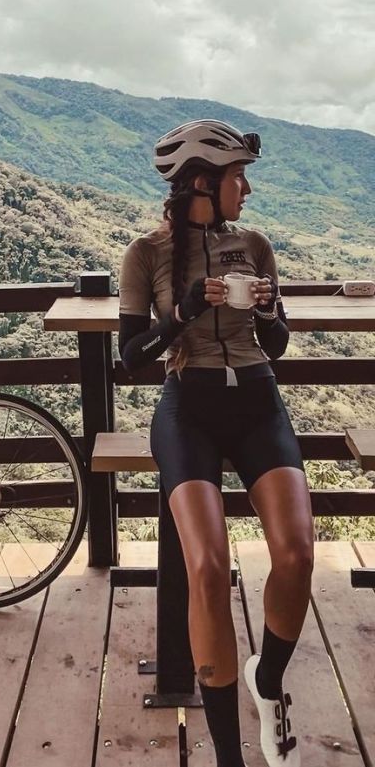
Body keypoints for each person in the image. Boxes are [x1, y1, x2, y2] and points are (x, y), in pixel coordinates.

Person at [118, 120, 314, 767]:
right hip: (189, 408)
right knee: (206, 568)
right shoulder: (146, 254)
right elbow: (129, 357)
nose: (247, 189)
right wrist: (183, 315)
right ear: (203, 183)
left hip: (257, 400)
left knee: (296, 553)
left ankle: (267, 677)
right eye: (238, 178)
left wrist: (262, 311)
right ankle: (230, 755)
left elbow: (279, 343)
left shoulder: (255, 245)